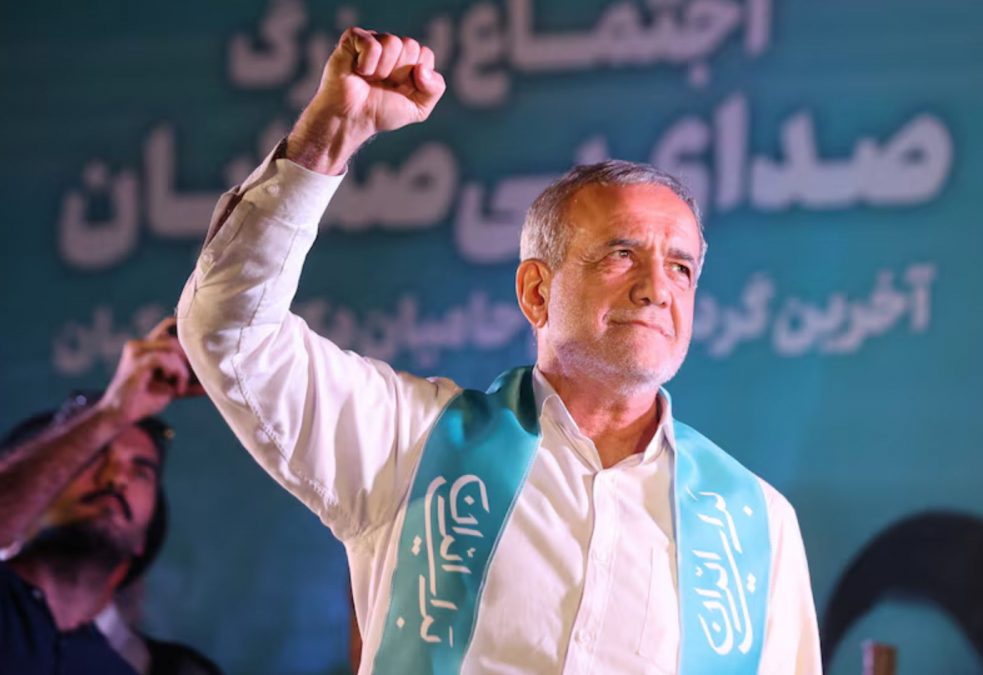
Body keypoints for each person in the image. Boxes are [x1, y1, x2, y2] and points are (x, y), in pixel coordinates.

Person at [176, 26, 821, 674]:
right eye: (621, 254)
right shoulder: (410, 442)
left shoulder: (755, 523)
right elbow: (229, 330)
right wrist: (329, 135)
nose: (657, 288)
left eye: (681, 267)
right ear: (537, 292)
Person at [0, 318, 222, 675]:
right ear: (31, 497)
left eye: (140, 471)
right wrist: (112, 412)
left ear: (145, 540)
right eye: (94, 457)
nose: (115, 478)